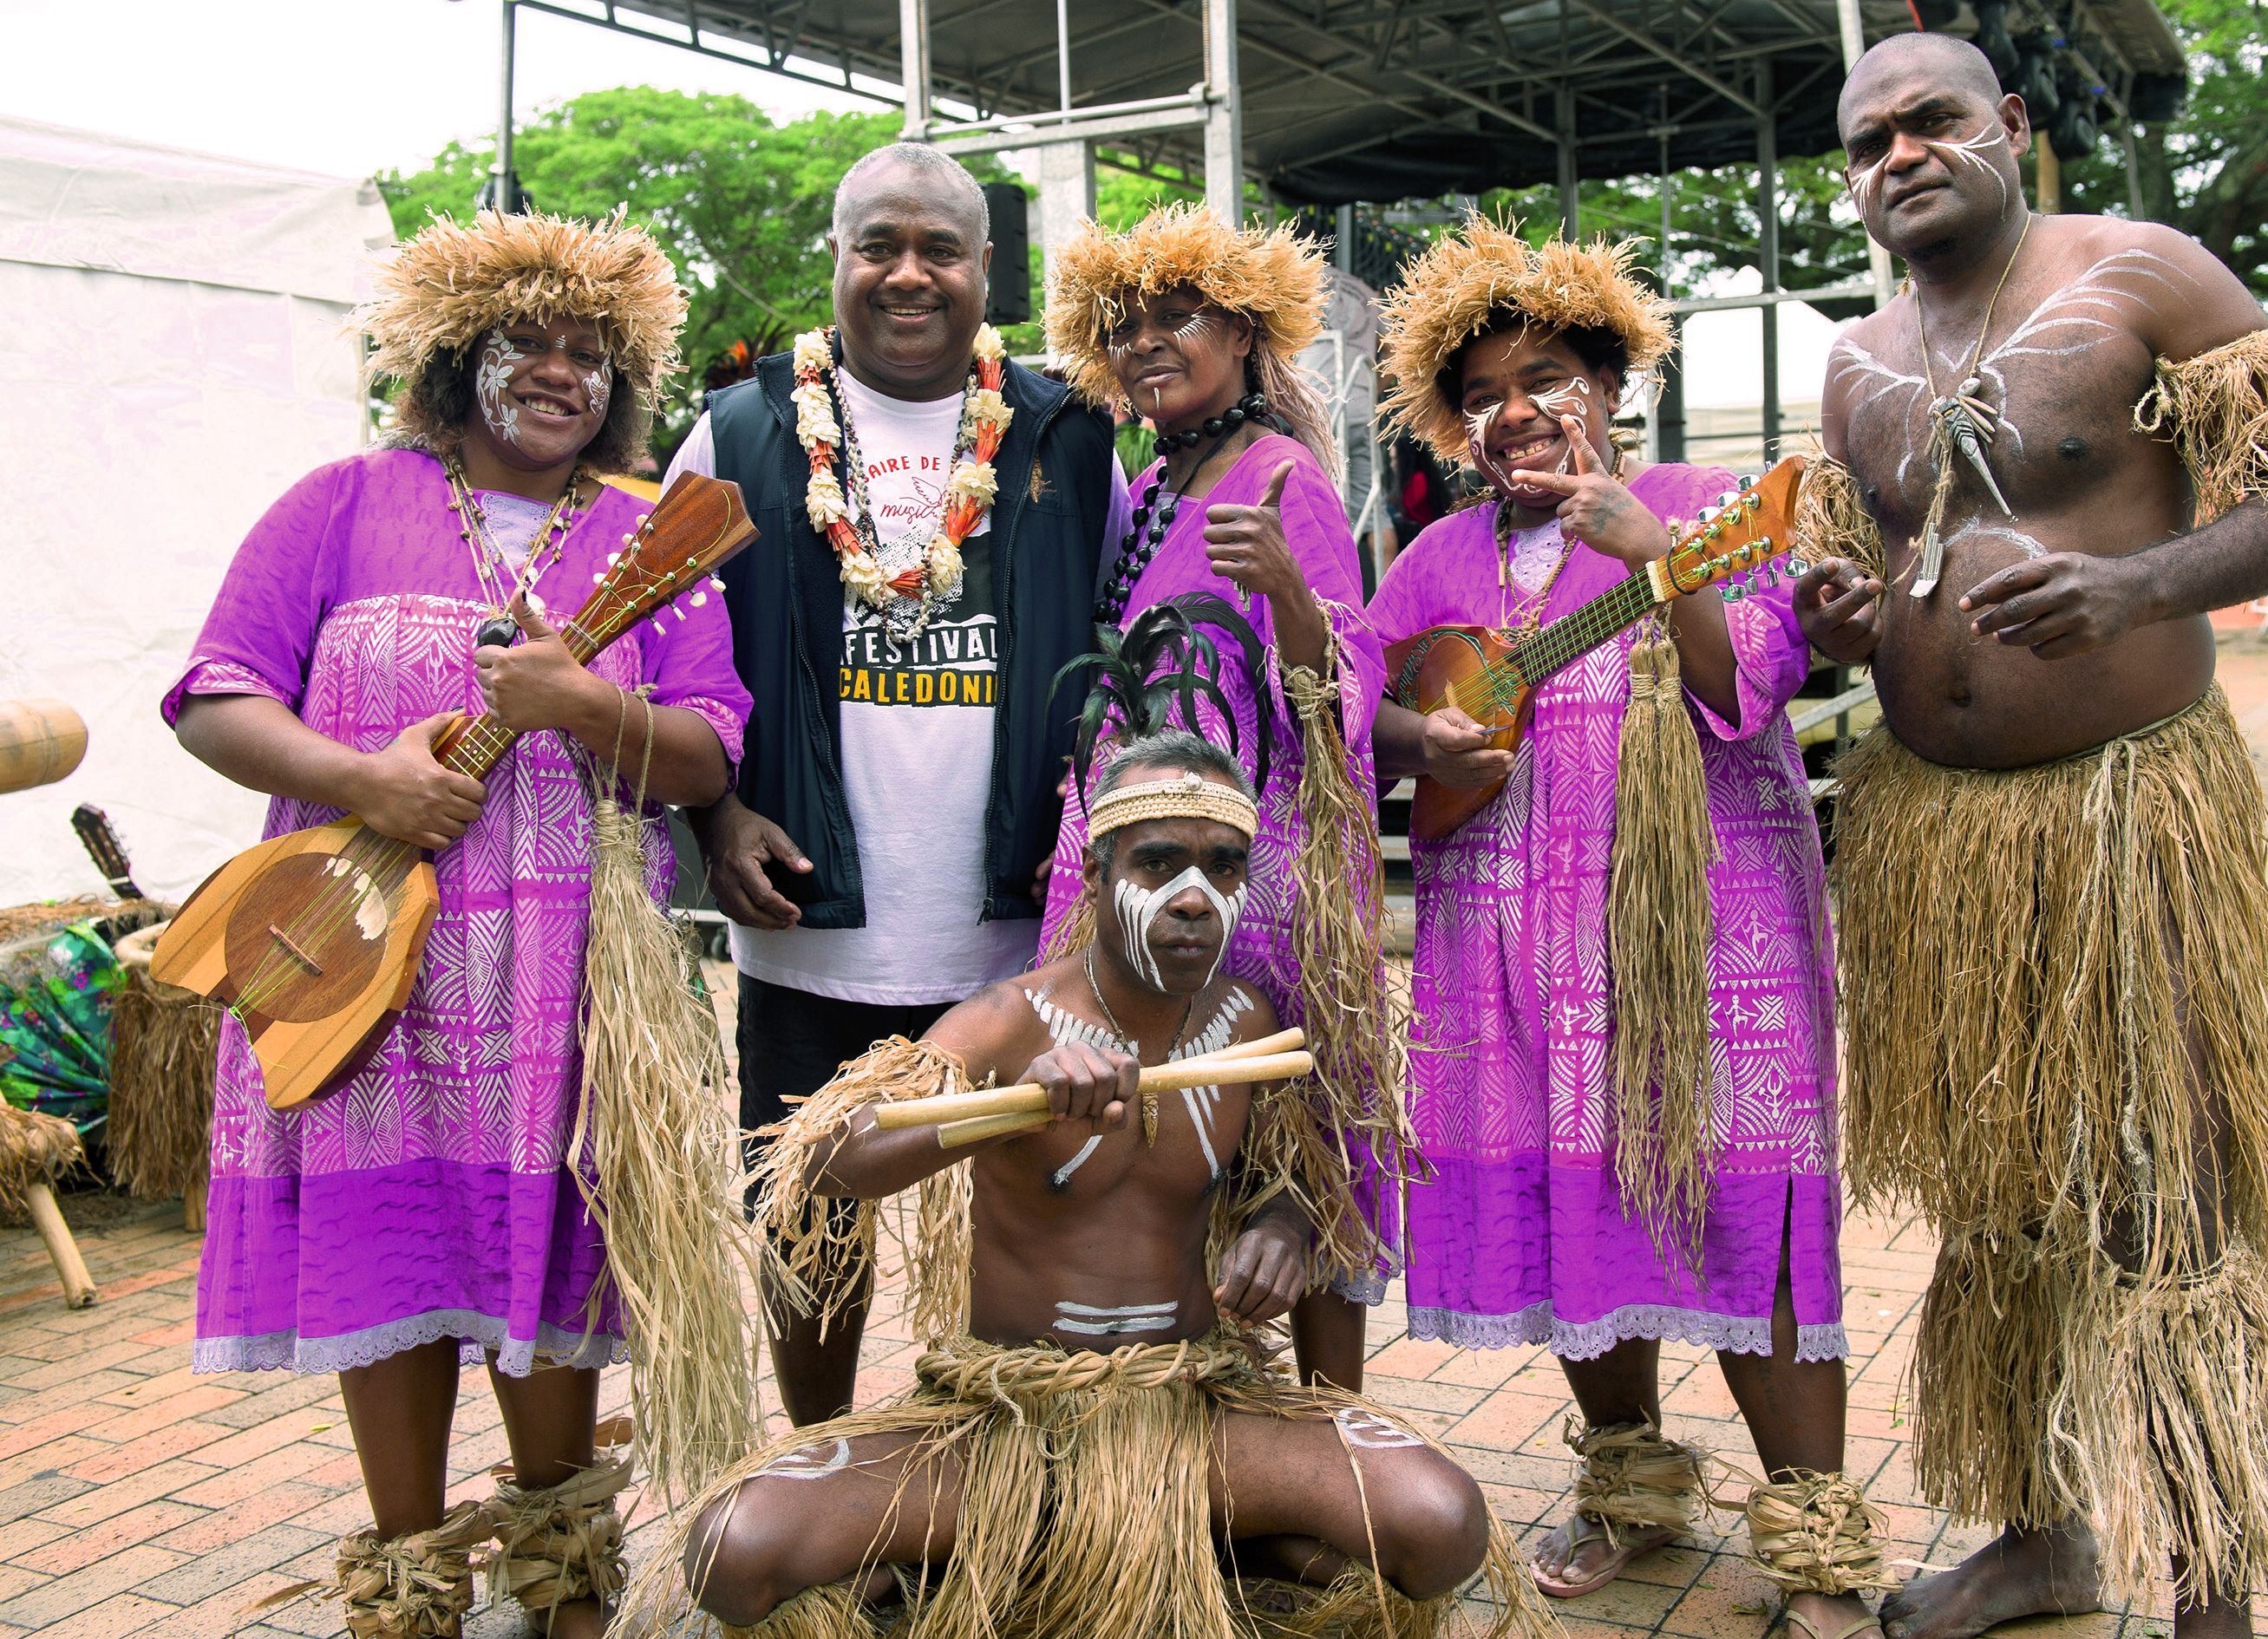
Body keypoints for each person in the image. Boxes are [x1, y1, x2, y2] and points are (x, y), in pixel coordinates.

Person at [1792, 34, 2268, 1639]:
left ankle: (2213, 1584)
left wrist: (2138, 585)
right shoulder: (1853, 364)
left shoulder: (2143, 273)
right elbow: (1859, 591)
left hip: (2132, 811)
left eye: (1929, 122)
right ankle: (2041, 1535)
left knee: (2168, 1200)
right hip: (1941, 837)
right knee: (1999, 1196)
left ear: (2010, 124)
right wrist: (1845, 624)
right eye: (1867, 143)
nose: (1899, 155)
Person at [617, 735, 1546, 1639]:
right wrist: (1012, 1108)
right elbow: (829, 1157)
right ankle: (1122, 1540)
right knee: (734, 1554)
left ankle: (1128, 1542)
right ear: (1097, 879)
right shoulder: (1006, 1023)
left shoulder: (1244, 1023)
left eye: (1222, 868)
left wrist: (1280, 1228)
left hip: (1187, 1413)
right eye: (1157, 864)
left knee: (1440, 1525)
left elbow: (1288, 1180)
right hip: (1006, 1422)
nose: (1192, 898)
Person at [168, 209, 747, 1638]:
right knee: (401, 1252)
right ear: (450, 360)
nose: (562, 374)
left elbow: (709, 755)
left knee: (553, 1251)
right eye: (527, 345)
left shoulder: (643, 538)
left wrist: (587, 705)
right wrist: (361, 777)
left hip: (569, 983)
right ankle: (410, 1574)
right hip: (373, 967)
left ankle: (562, 1575)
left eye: (591, 355)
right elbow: (216, 694)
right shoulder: (340, 504)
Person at [1368, 220, 1882, 1637]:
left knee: (1746, 1205)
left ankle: (1817, 1539)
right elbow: (1364, 721)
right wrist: (1432, 732)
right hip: (1505, 943)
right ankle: (1634, 1487)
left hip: (1705, 936)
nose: (1512, 412)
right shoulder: (1436, 560)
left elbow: (1751, 689)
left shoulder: (1708, 499)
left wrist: (1659, 556)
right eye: (1478, 395)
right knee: (1572, 1193)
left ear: (1608, 375)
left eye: (1540, 375)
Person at [663, 141, 1122, 1426]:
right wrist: (712, 809)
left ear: (986, 269)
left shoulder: (1068, 434)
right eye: (880, 245)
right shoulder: (740, 429)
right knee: (810, 1216)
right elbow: (671, 651)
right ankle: (821, 1461)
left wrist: (1089, 821)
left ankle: (1019, 1476)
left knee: (1037, 1209)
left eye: (938, 248)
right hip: (811, 921)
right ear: (838, 260)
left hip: (1017, 927)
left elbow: (1129, 647)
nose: (907, 274)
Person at [1034, 205, 1409, 1390]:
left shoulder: (1282, 474)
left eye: (1178, 316)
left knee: (1289, 1136)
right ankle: (1188, 1416)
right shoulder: (1156, 478)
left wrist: (1292, 593)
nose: (1150, 342)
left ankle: (1333, 1431)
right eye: (1127, 326)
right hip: (1146, 843)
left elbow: (1339, 693)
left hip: (1266, 857)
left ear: (1245, 335)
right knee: (1173, 1136)